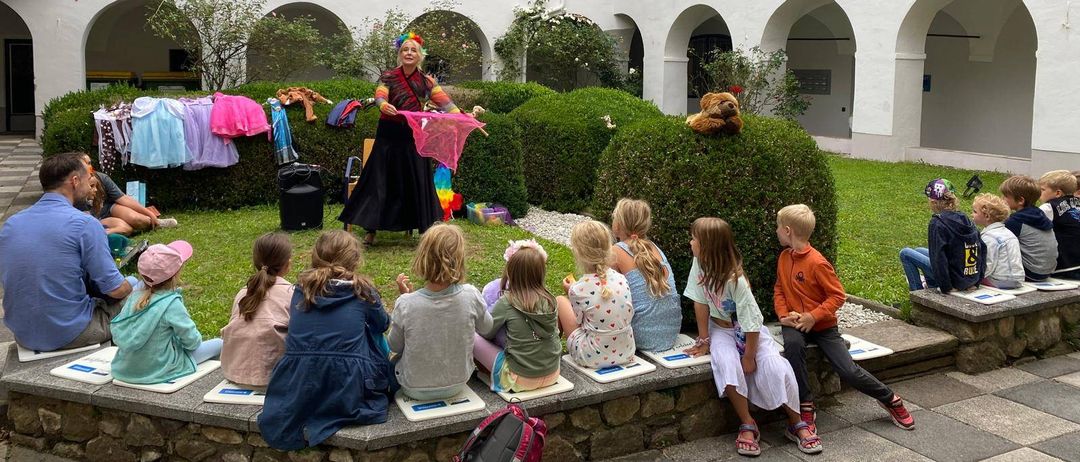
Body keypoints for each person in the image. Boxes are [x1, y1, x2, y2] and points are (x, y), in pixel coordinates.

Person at [681, 217, 821, 456]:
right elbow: (700, 302)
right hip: (721, 330)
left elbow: (752, 322)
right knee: (725, 363)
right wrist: (704, 341)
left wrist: (749, 355)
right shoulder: (699, 263)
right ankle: (748, 422)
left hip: (751, 333)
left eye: (694, 238)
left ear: (707, 246)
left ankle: (796, 421)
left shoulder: (737, 281)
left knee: (775, 366)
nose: (690, 242)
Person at [773, 205, 915, 435]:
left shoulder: (817, 263)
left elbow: (837, 295)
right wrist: (783, 315)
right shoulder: (784, 257)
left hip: (823, 327)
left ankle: (890, 399)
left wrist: (813, 316)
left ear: (788, 230)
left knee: (847, 370)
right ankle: (805, 404)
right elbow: (779, 289)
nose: (776, 231)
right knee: (793, 346)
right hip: (794, 324)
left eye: (778, 227)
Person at [258, 230, 396, 450]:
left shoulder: (300, 290)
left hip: (299, 380)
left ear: (316, 257)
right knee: (373, 334)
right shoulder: (362, 290)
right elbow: (382, 325)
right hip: (348, 384)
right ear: (355, 260)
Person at [338, 32, 464, 245]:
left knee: (416, 181)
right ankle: (371, 229)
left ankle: (424, 229)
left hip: (414, 137)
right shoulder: (388, 77)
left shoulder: (427, 81)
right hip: (388, 135)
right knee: (379, 182)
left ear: (420, 56)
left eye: (413, 50)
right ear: (400, 53)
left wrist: (463, 116)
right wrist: (382, 105)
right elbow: (380, 94)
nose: (408, 52)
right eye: (405, 49)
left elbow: (446, 103)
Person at [0, 152, 133, 352]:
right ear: (75, 181)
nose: (91, 188)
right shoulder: (85, 224)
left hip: (23, 334)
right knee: (141, 291)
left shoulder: (11, 224)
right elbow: (115, 289)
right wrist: (132, 286)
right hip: (71, 333)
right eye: (89, 181)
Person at [390, 223, 491, 400]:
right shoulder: (471, 295)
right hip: (458, 383)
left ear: (422, 258)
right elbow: (487, 327)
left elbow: (394, 346)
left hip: (413, 387)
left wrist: (407, 300)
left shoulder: (406, 303)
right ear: (459, 260)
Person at [110, 240, 223, 384]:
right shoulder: (172, 304)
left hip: (125, 369)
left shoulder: (134, 297)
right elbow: (192, 342)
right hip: (158, 368)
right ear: (175, 274)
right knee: (220, 343)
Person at [473, 242, 561, 393]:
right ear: (541, 272)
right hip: (553, 373)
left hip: (521, 379)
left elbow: (486, 331)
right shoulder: (549, 300)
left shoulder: (507, 301)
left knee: (471, 336)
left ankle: (490, 376)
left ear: (511, 272)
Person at [557, 220, 636, 368]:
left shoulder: (578, 289)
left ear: (578, 253)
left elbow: (579, 321)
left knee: (560, 301)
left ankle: (550, 351)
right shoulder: (622, 279)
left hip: (592, 356)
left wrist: (570, 291)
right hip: (626, 351)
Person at [220, 233, 294, 389]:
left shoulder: (243, 293)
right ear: (288, 264)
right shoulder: (291, 293)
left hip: (234, 374)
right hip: (275, 378)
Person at [610, 198, 681, 351]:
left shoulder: (616, 251)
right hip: (671, 333)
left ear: (619, 224)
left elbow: (609, 296)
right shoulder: (654, 247)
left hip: (638, 336)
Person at [899, 179, 985, 293]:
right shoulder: (965, 218)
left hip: (954, 280)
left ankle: (918, 295)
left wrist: (947, 287)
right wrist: (977, 280)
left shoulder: (937, 222)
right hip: (969, 277)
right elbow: (982, 248)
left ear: (934, 202)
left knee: (905, 253)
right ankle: (931, 286)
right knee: (919, 250)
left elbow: (939, 257)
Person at [78, 153, 177, 235]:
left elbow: (123, 198)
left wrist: (149, 213)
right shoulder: (74, 186)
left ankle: (155, 223)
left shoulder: (101, 177)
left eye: (90, 162)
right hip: (96, 218)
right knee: (126, 228)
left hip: (109, 208)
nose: (89, 166)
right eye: (86, 163)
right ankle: (109, 232)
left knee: (137, 219)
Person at [1000, 175, 1057, 281]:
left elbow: (1000, 241)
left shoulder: (1016, 221)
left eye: (1005, 196)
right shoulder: (1039, 214)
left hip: (1031, 272)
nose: (1002, 199)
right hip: (1047, 270)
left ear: (1021, 200)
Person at [971, 194, 1024, 289]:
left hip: (1001, 280)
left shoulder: (989, 237)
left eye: (975, 212)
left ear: (987, 216)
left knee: (966, 278)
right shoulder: (1009, 233)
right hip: (1017, 279)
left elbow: (987, 265)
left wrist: (974, 279)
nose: (972, 214)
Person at [1037, 170, 1080, 279]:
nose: (1039, 193)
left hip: (1066, 266)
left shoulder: (1049, 207)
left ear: (1058, 193)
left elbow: (1030, 226)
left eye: (1042, 190)